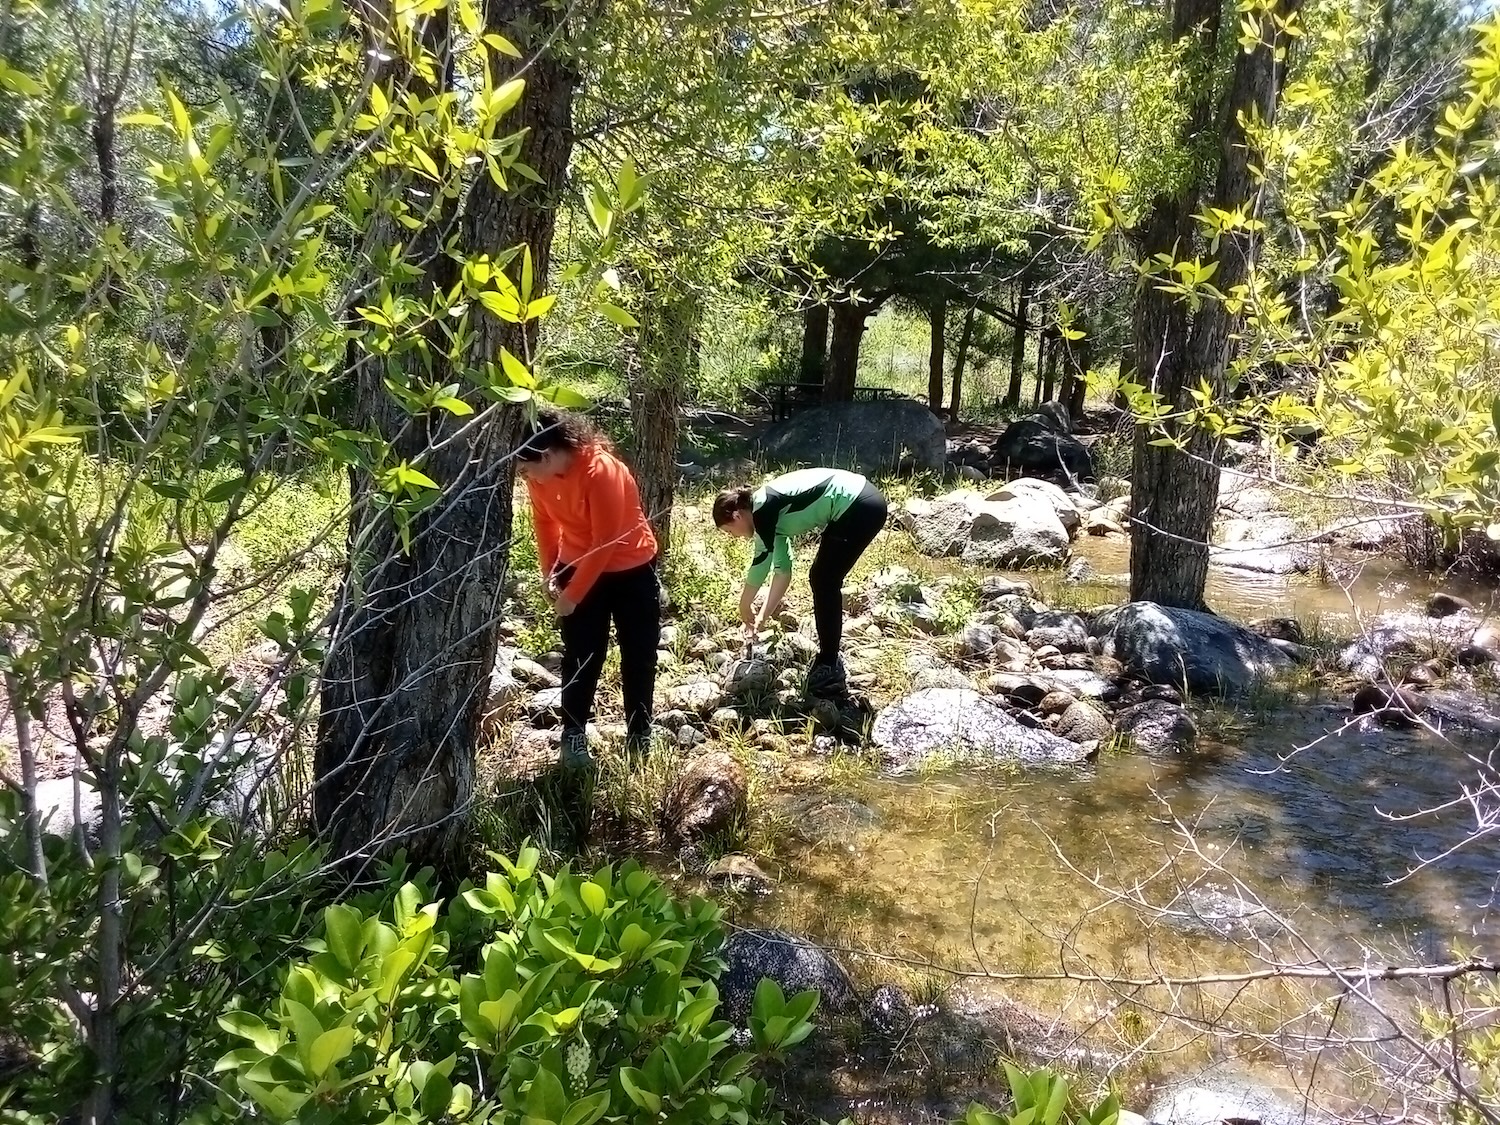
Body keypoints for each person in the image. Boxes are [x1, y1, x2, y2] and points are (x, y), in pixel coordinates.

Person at [517, 408, 660, 760]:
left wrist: (572, 596)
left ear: (547, 455)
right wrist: (550, 572)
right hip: (578, 563)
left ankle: (640, 732)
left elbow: (607, 540)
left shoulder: (601, 471)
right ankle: (574, 733)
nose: (524, 475)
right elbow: (545, 523)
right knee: (581, 654)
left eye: (526, 467)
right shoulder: (540, 478)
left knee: (638, 653)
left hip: (631, 569)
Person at [712, 468, 888, 700]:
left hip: (859, 504)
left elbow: (761, 564)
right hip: (861, 501)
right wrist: (762, 617)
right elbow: (782, 572)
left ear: (736, 517)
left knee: (824, 579)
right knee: (823, 577)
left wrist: (744, 604)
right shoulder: (767, 518)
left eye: (729, 532)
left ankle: (829, 665)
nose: (734, 537)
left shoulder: (763, 507)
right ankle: (829, 661)